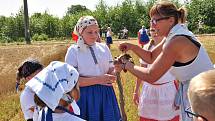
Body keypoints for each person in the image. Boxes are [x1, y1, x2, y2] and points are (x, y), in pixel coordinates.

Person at [115, 1, 213, 121]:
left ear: (171, 20)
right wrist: (132, 46)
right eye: (151, 21)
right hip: (199, 89)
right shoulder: (174, 35)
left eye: (155, 20)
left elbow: (151, 75)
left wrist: (127, 64)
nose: (152, 25)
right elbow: (151, 56)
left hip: (204, 94)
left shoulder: (176, 41)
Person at [65, 16, 121, 121]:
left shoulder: (103, 48)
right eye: (90, 32)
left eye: (96, 32)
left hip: (106, 94)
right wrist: (99, 80)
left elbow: (110, 71)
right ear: (81, 32)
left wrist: (116, 70)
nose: (94, 35)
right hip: (85, 96)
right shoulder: (73, 51)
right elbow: (73, 81)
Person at [133, 28, 179, 121]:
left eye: (158, 30)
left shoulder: (171, 47)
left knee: (168, 117)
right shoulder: (146, 48)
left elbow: (178, 73)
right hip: (150, 91)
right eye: (152, 30)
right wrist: (136, 91)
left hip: (167, 90)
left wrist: (180, 93)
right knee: (149, 117)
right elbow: (141, 71)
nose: (155, 33)